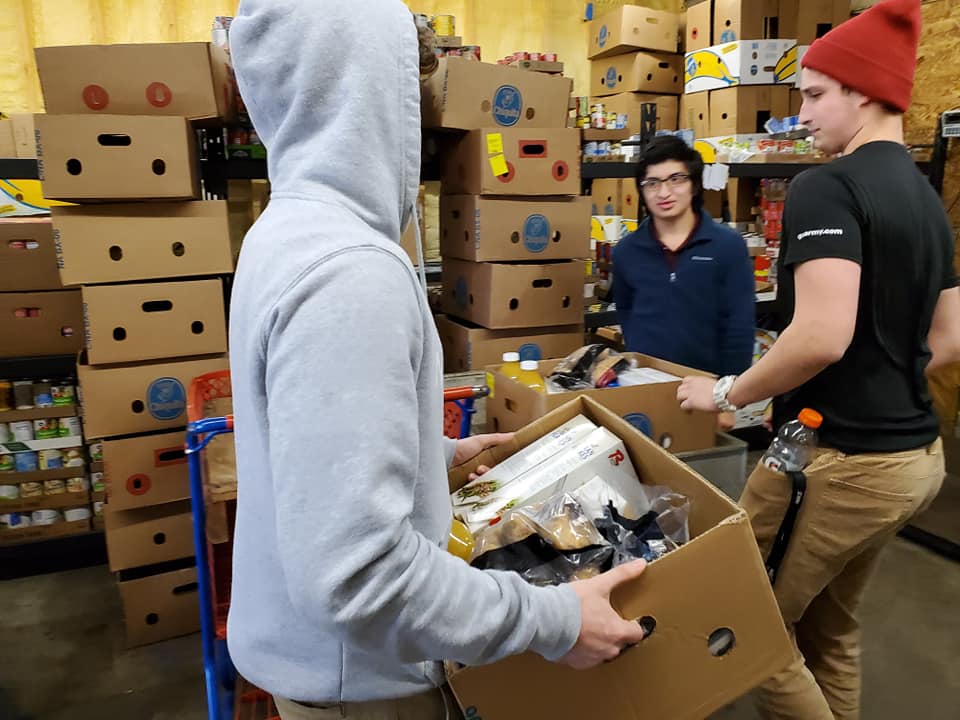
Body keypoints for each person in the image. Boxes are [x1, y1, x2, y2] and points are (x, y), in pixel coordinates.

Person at [225, 2, 648, 719]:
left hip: (323, 670)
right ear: (369, 87)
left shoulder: (284, 232)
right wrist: (554, 621)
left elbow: (307, 453)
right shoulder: (349, 271)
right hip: (362, 686)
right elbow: (358, 576)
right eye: (407, 82)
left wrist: (429, 455)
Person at [676, 1, 958, 717]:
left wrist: (727, 392)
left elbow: (820, 337)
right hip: (916, 460)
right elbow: (950, 337)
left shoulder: (825, 185)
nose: (797, 114)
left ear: (863, 90)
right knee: (830, 626)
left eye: (813, 93)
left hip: (839, 460)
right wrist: (883, 376)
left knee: (748, 625)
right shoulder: (927, 200)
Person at [612, 135, 756, 379]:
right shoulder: (626, 251)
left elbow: (739, 328)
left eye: (676, 179)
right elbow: (626, 314)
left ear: (694, 185)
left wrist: (729, 396)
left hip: (707, 386)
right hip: (646, 384)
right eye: (652, 183)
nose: (664, 192)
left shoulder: (727, 246)